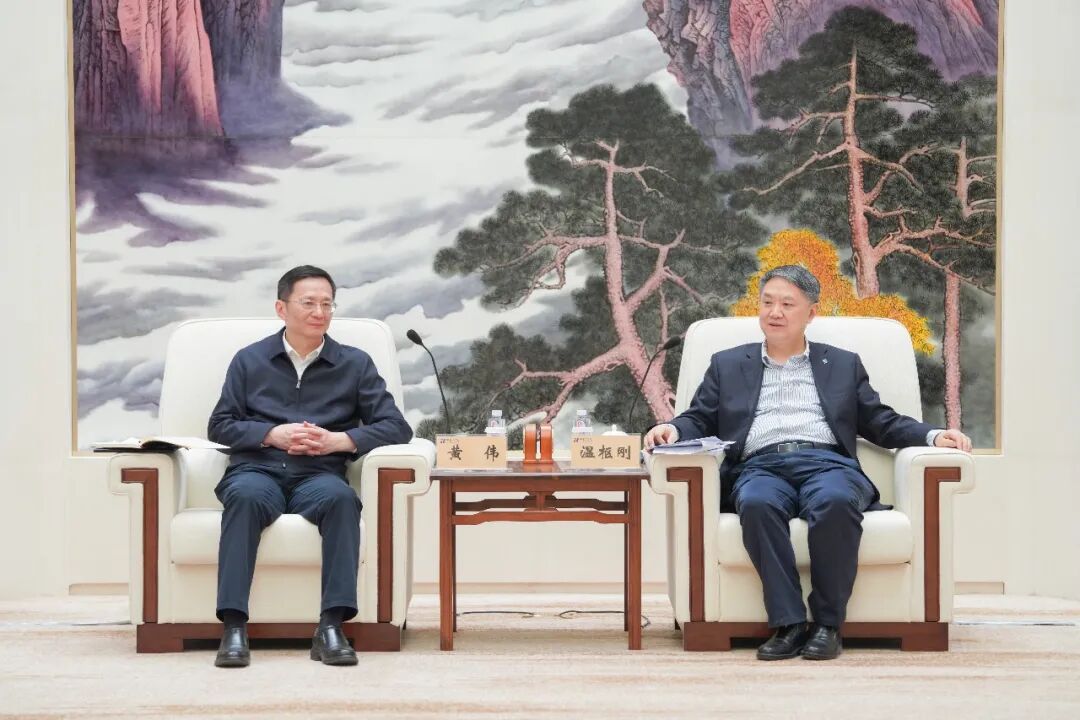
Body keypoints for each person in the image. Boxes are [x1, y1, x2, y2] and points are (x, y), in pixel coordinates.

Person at [644, 265, 971, 661]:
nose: (774, 312)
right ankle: (789, 624)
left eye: (787, 304)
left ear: (811, 313)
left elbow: (880, 421)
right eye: (767, 302)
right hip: (760, 465)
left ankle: (828, 625)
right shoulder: (727, 364)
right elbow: (699, 417)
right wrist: (672, 429)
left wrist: (933, 435)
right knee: (757, 504)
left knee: (835, 502)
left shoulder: (843, 364)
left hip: (827, 463)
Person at [207, 265, 413, 668]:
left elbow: (396, 426)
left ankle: (331, 626)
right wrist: (271, 434)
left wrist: (341, 440)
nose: (320, 312)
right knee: (244, 497)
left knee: (342, 500)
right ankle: (233, 626)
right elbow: (220, 425)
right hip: (257, 470)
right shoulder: (249, 360)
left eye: (327, 304)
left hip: (319, 475)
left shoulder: (354, 364)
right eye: (309, 303)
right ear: (281, 308)